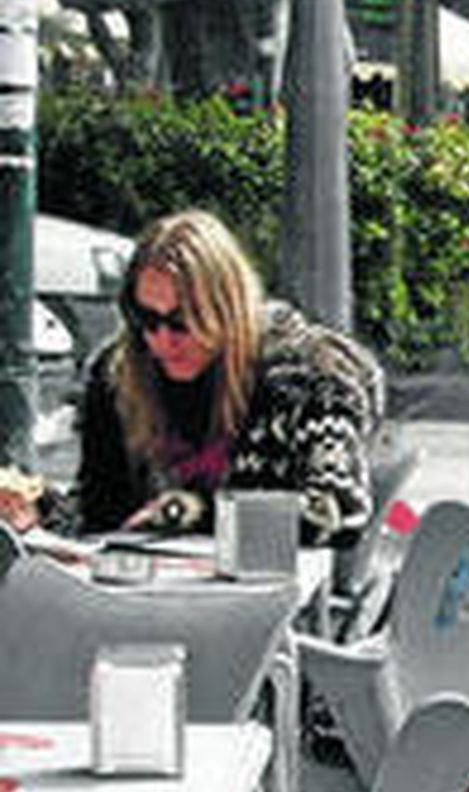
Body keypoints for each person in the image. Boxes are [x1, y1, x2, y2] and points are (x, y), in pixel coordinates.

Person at [0, 210, 385, 543]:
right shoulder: (120, 374)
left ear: (227, 311)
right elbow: (102, 516)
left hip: (268, 606)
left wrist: (192, 514)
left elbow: (338, 510)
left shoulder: (308, 376)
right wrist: (40, 510)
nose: (162, 340)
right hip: (149, 604)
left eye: (182, 322)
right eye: (146, 320)